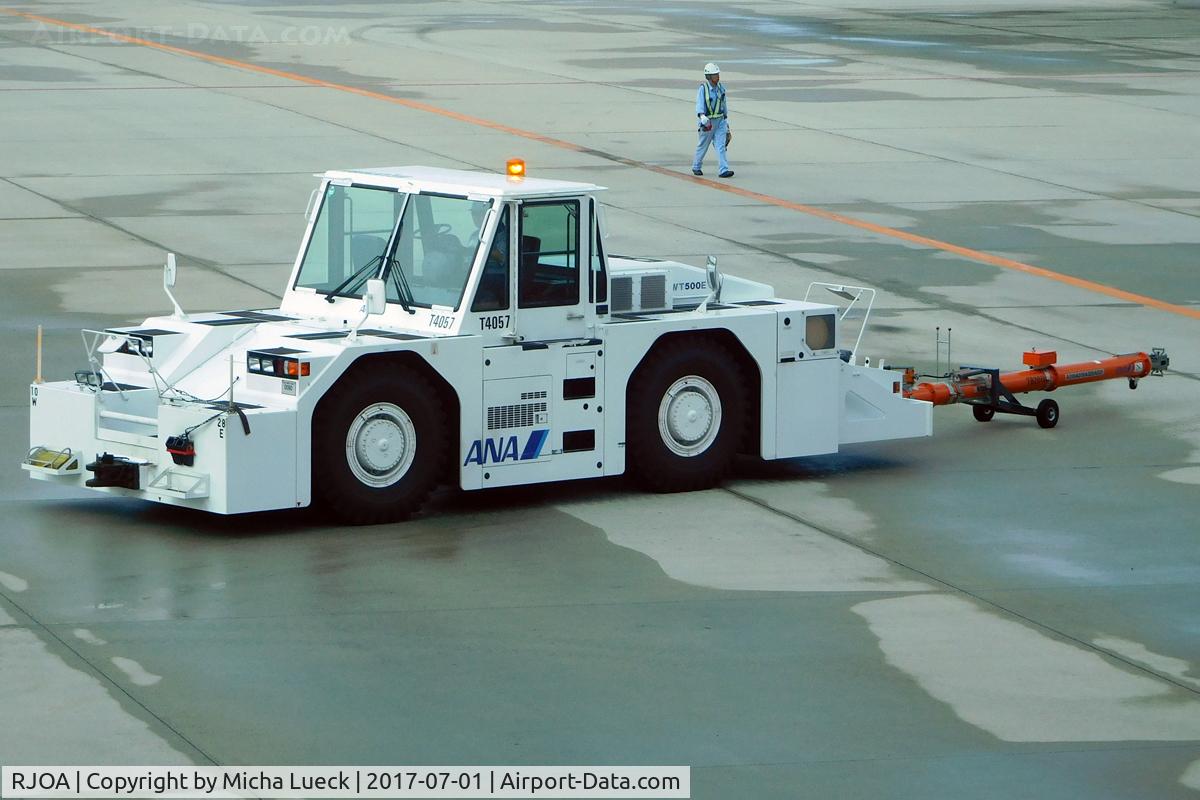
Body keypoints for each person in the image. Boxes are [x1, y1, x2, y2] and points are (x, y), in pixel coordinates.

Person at [692, 63, 733, 178]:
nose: (717, 77)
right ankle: (696, 166)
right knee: (703, 145)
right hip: (708, 122)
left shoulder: (721, 88)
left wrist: (726, 120)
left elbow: (723, 104)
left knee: (721, 146)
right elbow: (700, 104)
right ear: (708, 77)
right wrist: (702, 116)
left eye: (718, 74)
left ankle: (723, 170)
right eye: (715, 75)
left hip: (720, 121)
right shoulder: (703, 89)